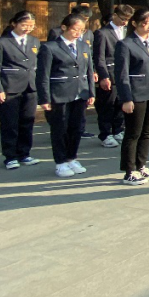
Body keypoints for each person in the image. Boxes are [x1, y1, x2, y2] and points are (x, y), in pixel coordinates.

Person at [114, 8, 149, 185]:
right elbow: (121, 74)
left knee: (147, 132)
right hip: (136, 93)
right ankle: (129, 170)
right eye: (145, 23)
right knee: (133, 133)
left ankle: (141, 165)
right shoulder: (126, 44)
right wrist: (126, 98)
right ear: (135, 23)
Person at [37, 13, 96, 177]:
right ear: (64, 27)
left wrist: (91, 91)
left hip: (80, 93)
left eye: (82, 30)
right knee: (60, 129)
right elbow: (43, 75)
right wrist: (44, 98)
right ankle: (60, 162)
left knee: (76, 128)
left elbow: (89, 71)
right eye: (76, 29)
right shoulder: (50, 47)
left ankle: (72, 157)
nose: (78, 33)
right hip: (59, 94)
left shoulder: (83, 46)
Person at [0, 11, 40, 169]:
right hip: (9, 87)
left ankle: (24, 153)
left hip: (30, 87)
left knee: (27, 121)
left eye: (31, 26)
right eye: (24, 25)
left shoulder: (34, 41)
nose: (27, 29)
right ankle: (10, 156)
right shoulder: (1, 42)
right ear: (14, 23)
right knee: (10, 123)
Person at [92, 4, 133, 149]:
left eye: (128, 20)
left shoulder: (128, 31)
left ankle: (118, 130)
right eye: (122, 18)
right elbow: (99, 57)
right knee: (107, 105)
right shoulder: (102, 33)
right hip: (110, 73)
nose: (125, 22)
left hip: (125, 73)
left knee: (120, 104)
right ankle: (105, 134)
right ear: (114, 15)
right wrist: (103, 76)